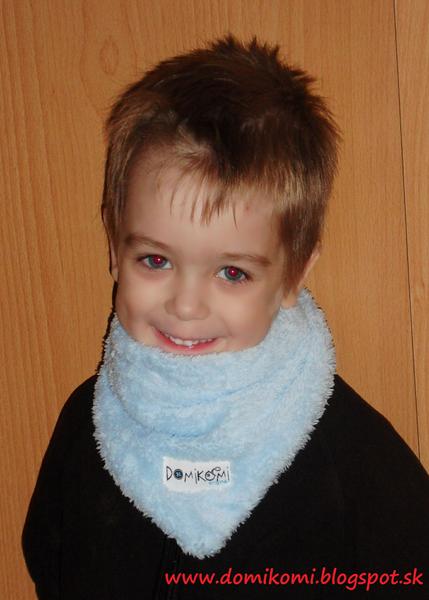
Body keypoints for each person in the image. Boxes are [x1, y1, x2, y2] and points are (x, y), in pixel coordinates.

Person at [22, 35, 428, 599]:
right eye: (156, 260)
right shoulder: (89, 426)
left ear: (293, 275)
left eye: (232, 272)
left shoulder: (350, 460)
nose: (186, 306)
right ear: (114, 246)